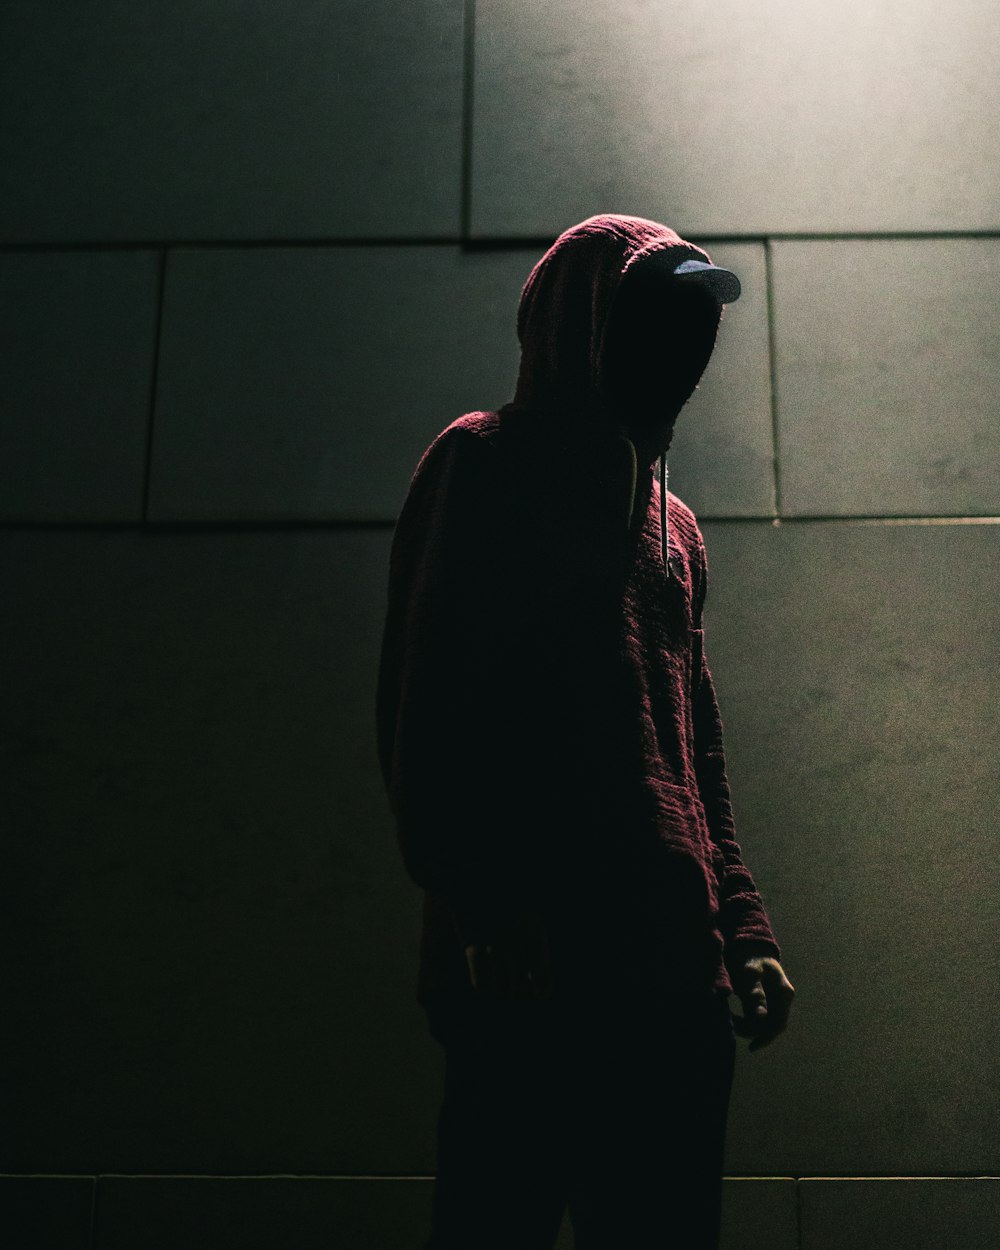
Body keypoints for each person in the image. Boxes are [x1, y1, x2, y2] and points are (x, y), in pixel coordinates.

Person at [375, 213, 795, 1250]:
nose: (679, 352)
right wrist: (481, 902)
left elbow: (695, 745)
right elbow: (422, 703)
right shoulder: (482, 464)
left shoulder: (678, 526)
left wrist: (742, 929)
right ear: (584, 324)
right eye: (654, 323)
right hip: (528, 968)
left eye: (692, 328)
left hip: (675, 981)